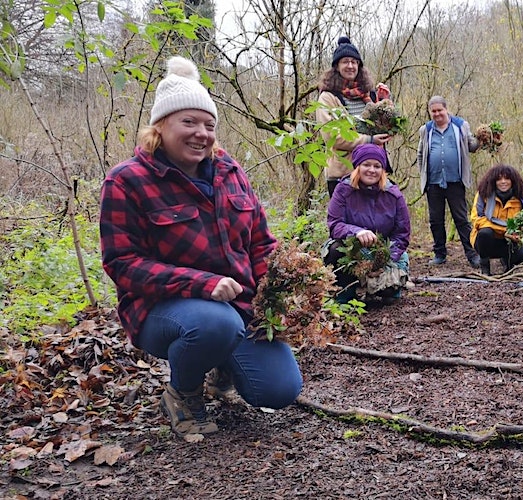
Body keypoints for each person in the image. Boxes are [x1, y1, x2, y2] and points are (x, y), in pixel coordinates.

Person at [99, 56, 303, 437]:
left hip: (238, 308)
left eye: (209, 125)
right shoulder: (127, 181)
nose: (201, 133)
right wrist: (201, 284)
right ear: (160, 126)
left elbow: (260, 242)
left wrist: (279, 293)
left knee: (279, 389)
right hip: (163, 312)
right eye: (188, 122)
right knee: (214, 322)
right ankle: (183, 393)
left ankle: (220, 366)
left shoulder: (230, 172)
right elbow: (122, 263)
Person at [325, 144, 411, 303]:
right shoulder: (343, 190)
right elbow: (334, 224)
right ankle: (346, 291)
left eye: (377, 166)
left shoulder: (393, 195)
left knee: (389, 295)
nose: (372, 170)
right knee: (335, 249)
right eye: (366, 164)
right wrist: (356, 232)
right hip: (352, 250)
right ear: (357, 167)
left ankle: (385, 288)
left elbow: (402, 234)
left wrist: (384, 260)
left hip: (383, 252)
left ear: (383, 170)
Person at [316, 36, 393, 196]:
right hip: (343, 173)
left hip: (373, 172)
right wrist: (369, 140)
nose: (350, 66)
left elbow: (385, 128)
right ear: (336, 66)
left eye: (354, 62)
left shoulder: (369, 94)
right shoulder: (328, 97)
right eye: (345, 62)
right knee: (345, 221)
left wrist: (385, 103)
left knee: (376, 220)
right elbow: (332, 136)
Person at [417, 96, 482, 269]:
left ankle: (472, 254)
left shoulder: (461, 126)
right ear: (430, 112)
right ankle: (440, 254)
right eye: (434, 111)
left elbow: (471, 146)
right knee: (436, 220)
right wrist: (423, 174)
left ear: (446, 109)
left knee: (461, 219)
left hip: (455, 181)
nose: (437, 114)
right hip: (433, 182)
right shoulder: (426, 129)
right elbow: (421, 154)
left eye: (440, 110)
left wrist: (484, 138)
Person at [469, 164, 523, 276]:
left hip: (507, 242)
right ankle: (485, 266)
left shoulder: (520, 200)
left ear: (513, 181)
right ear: (493, 181)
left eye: (507, 178)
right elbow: (476, 220)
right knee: (485, 232)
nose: (503, 182)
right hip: (485, 241)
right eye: (499, 179)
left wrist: (518, 235)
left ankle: (507, 263)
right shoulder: (483, 195)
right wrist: (505, 231)